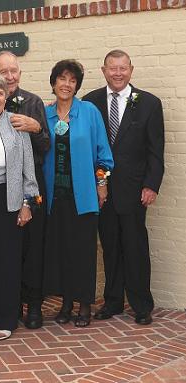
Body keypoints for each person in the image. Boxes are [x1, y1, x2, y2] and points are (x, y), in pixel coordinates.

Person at [83, 50, 165, 325]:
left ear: (131, 70)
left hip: (134, 191)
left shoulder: (150, 103)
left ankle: (142, 305)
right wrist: (93, 184)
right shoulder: (90, 102)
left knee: (135, 247)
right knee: (110, 247)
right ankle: (113, 302)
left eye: (122, 68)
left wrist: (151, 185)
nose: (117, 73)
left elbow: (156, 151)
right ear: (103, 70)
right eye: (112, 69)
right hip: (101, 190)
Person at [42, 60, 114, 327]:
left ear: (77, 86)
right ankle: (66, 303)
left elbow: (103, 154)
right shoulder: (45, 114)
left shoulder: (89, 112)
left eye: (72, 80)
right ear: (53, 83)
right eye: (61, 78)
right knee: (60, 252)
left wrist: (102, 183)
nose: (66, 84)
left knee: (83, 252)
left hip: (83, 196)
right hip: (54, 196)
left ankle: (84, 305)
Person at [0, 73, 38, 341]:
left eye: (0, 93)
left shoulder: (16, 124)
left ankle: (6, 319)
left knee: (7, 260)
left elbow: (28, 167)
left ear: (6, 97)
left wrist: (27, 202)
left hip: (8, 198)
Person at [0, 51, 49, 329]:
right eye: (4, 71)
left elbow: (46, 146)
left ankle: (34, 305)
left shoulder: (33, 102)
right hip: (1, 186)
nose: (10, 76)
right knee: (8, 247)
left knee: (33, 247)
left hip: (31, 182)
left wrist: (36, 128)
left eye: (14, 71)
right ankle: (10, 304)